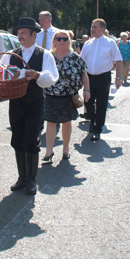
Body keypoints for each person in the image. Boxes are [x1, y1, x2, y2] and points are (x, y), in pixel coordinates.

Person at [0, 17, 58, 195]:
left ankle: (32, 179)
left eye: (23, 33)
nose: (20, 36)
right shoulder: (11, 54)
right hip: (16, 102)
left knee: (31, 139)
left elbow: (52, 77)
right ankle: (22, 177)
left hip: (35, 102)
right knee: (17, 139)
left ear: (34, 34)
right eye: (18, 33)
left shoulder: (44, 54)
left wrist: (37, 75)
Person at [43, 30, 90, 162]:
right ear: (54, 41)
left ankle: (65, 150)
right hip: (51, 94)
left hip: (68, 96)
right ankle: (49, 152)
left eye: (65, 39)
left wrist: (87, 90)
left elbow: (84, 73)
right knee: (51, 122)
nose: (62, 41)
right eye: (59, 39)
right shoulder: (48, 56)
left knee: (66, 122)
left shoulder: (75, 57)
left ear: (69, 41)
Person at [80, 19, 122, 141]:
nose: (92, 29)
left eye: (95, 27)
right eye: (91, 27)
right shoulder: (88, 43)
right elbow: (81, 62)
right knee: (88, 102)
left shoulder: (110, 43)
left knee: (102, 104)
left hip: (103, 77)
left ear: (102, 29)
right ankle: (93, 120)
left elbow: (118, 60)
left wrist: (118, 77)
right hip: (89, 77)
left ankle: (98, 128)